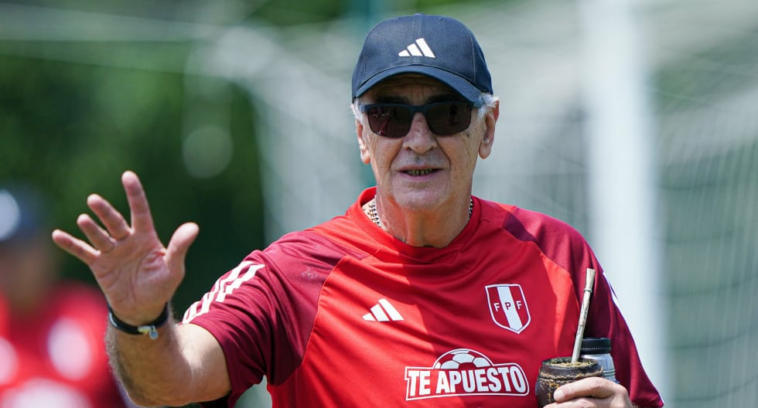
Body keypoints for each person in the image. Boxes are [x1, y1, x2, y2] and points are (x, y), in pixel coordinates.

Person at [51, 13, 664, 408]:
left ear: (487, 128)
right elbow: (172, 381)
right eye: (390, 115)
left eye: (447, 113)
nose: (418, 139)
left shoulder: (558, 257)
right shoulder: (292, 275)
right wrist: (138, 319)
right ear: (362, 135)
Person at [0, 186, 131, 408]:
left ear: (43, 250)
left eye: (17, 253)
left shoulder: (92, 317)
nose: (9, 266)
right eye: (2, 256)